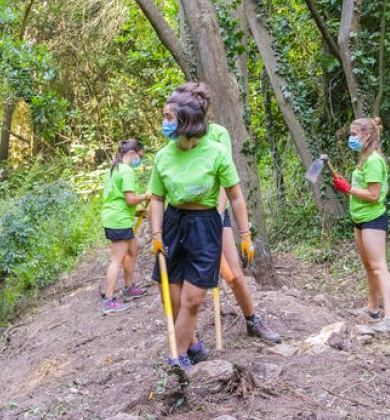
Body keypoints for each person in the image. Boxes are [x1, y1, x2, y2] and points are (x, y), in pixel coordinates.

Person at [148, 83, 255, 370]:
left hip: (205, 226)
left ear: (185, 121)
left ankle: (177, 358)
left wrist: (245, 236)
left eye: (169, 118)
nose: (164, 123)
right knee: (172, 299)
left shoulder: (216, 152)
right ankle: (192, 346)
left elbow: (235, 195)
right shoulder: (163, 156)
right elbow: (157, 198)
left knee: (193, 300)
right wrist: (156, 234)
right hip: (173, 224)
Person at [188, 86, 281, 342]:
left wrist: (217, 216)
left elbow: (225, 182)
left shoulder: (219, 135)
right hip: (188, 219)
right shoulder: (179, 138)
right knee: (194, 281)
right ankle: (190, 339)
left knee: (234, 274)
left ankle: (253, 320)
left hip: (216, 214)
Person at [331, 117, 390, 333]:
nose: (351, 138)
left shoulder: (374, 161)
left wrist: (347, 188)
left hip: (373, 219)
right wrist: (346, 185)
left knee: (379, 267)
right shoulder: (364, 158)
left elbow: (374, 195)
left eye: (353, 134)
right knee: (369, 266)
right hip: (359, 219)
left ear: (366, 135)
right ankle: (373, 308)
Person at [100, 139, 150, 314]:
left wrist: (137, 212)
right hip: (118, 220)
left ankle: (128, 288)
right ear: (132, 153)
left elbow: (118, 198)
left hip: (116, 217)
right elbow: (129, 199)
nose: (140, 161)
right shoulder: (126, 171)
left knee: (133, 250)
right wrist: (146, 195)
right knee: (116, 260)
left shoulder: (114, 169)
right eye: (140, 156)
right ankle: (108, 300)